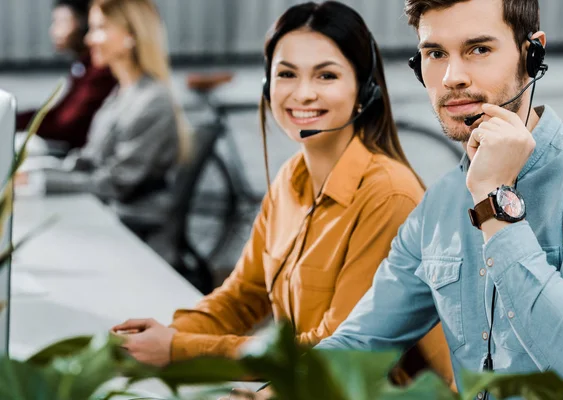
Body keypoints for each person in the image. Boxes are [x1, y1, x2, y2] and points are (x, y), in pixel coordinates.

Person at [112, 0, 454, 387]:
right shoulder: (291, 178)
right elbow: (243, 295)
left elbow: (337, 350)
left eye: (326, 76)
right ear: (267, 85)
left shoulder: (389, 195)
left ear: (364, 91)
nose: (303, 93)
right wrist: (165, 336)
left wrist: (181, 349)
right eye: (287, 74)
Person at [316, 0, 563, 398]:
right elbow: (358, 344)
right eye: (435, 53)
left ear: (531, 54)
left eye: (478, 49)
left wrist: (493, 199)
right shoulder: (438, 207)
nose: (452, 77)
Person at [16, 0, 187, 232]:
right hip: (107, 210)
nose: (88, 39)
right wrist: (36, 171)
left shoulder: (152, 101)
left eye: (100, 28)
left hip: (129, 223)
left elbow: (117, 183)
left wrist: (38, 181)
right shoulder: (121, 92)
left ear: (131, 35)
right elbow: (89, 161)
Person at [16, 0, 116, 154]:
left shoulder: (99, 71)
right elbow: (58, 114)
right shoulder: (82, 66)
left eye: (61, 22)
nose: (53, 31)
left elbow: (65, 124)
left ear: (84, 24)